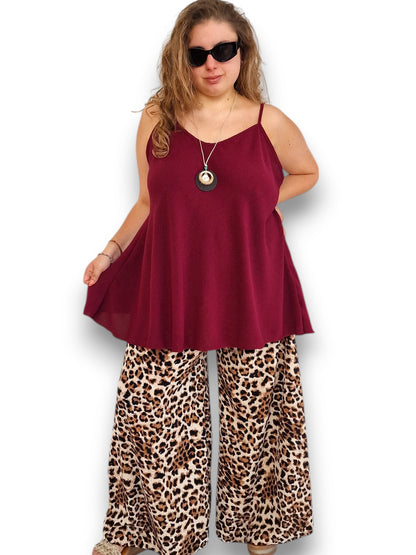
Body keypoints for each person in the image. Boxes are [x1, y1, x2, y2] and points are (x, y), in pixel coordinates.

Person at [83, 1, 319, 554]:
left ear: (242, 53)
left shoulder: (268, 121)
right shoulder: (158, 117)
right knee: (156, 413)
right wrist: (110, 252)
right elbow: (148, 201)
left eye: (224, 50)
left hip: (252, 278)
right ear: (181, 58)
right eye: (198, 54)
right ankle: (143, 530)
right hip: (173, 278)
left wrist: (266, 198)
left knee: (255, 414)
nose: (212, 63)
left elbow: (308, 172)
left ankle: (261, 528)